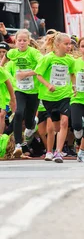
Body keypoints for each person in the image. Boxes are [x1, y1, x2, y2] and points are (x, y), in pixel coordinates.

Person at [34, 33, 77, 163]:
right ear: (58, 44)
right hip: (48, 97)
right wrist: (48, 85)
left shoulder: (70, 60)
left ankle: (58, 152)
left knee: (65, 122)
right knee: (54, 127)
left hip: (64, 95)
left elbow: (72, 74)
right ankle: (49, 151)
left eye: (70, 44)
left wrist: (74, 86)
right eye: (66, 44)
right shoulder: (48, 58)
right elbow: (38, 75)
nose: (69, 46)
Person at [2, 29, 42, 157]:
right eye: (19, 40)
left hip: (34, 90)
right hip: (20, 89)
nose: (22, 43)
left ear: (29, 41)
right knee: (18, 113)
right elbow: (6, 57)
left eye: (25, 40)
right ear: (16, 41)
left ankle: (33, 122)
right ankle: (18, 144)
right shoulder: (13, 52)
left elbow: (42, 66)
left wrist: (26, 74)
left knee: (29, 121)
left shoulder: (34, 53)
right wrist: (1, 66)